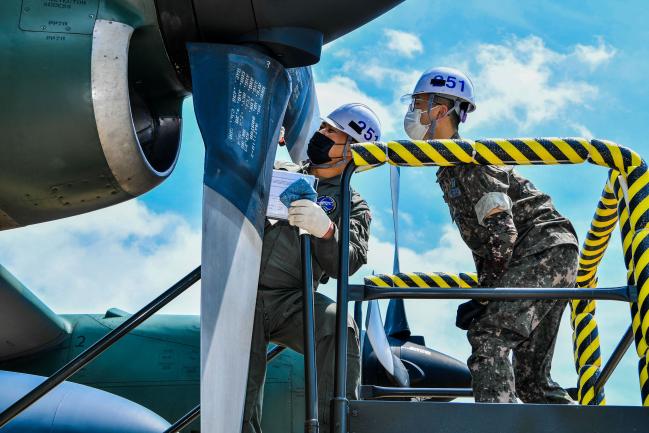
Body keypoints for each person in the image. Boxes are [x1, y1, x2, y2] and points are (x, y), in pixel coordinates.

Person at [401, 66, 579, 404]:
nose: (412, 113)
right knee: (532, 383)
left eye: (419, 103)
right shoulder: (451, 168)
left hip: (543, 252)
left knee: (490, 338)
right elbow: (489, 244)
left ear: (439, 110)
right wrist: (487, 293)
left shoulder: (471, 160)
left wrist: (485, 299)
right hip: (546, 254)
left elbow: (503, 233)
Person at [242, 103, 380, 432]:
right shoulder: (278, 171)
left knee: (338, 324)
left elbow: (347, 263)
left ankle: (333, 426)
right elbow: (230, 175)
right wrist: (256, 143)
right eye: (323, 127)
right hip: (242, 289)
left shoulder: (352, 203)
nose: (321, 134)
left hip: (293, 297)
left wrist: (327, 231)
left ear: (352, 150)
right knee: (238, 383)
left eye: (333, 132)